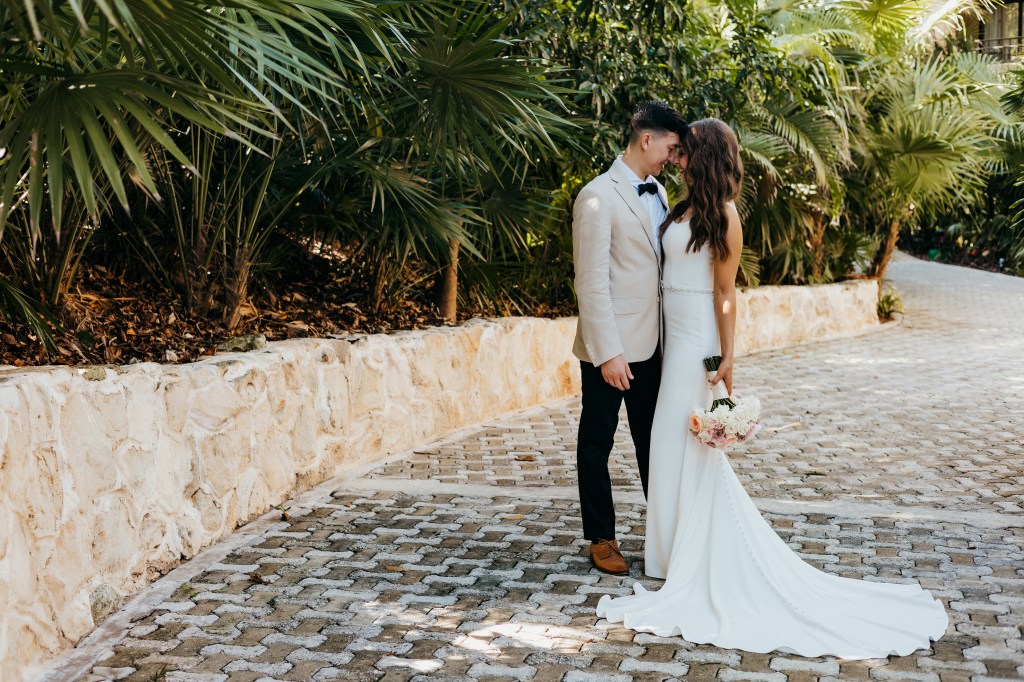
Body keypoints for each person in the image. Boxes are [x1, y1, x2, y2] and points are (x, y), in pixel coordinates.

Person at [596, 118, 949, 658]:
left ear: (704, 155)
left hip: (698, 344)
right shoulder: (679, 205)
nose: (677, 157)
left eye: (686, 150)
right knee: (667, 448)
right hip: (669, 339)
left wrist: (729, 355)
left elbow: (726, 293)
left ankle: (686, 558)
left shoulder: (725, 216)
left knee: (682, 444)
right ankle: (666, 556)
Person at [571, 101, 688, 576]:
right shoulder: (596, 196)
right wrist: (609, 353)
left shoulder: (658, 191)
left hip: (655, 345)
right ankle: (601, 537)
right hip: (612, 348)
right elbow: (591, 281)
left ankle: (662, 534)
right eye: (671, 147)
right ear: (647, 139)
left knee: (652, 443)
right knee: (596, 442)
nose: (672, 158)